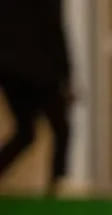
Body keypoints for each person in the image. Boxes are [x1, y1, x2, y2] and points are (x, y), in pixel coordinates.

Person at [0, 1, 71, 186]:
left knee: (26, 133)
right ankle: (59, 183)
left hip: (12, 72)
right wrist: (66, 78)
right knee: (61, 129)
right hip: (40, 73)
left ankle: (58, 182)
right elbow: (56, 34)